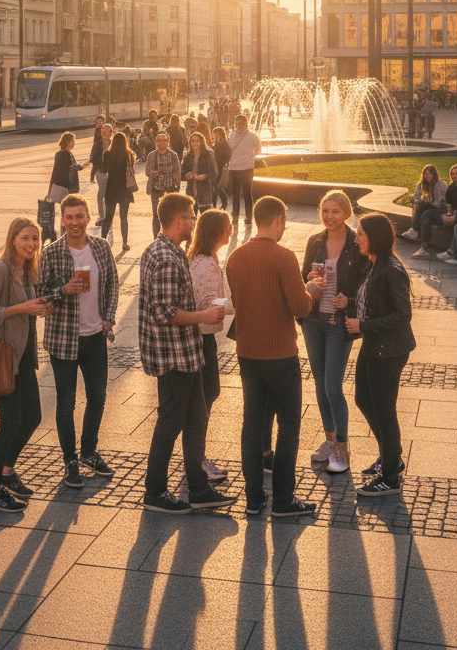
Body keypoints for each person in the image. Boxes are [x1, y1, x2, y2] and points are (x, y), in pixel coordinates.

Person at [138, 193, 237, 514]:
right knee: (170, 422)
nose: (195, 223)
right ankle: (154, 492)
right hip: (174, 355)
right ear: (178, 220)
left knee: (197, 416)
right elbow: (166, 312)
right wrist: (204, 316)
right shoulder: (167, 257)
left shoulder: (164, 250)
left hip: (186, 353)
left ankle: (198, 488)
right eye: (192, 218)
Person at [226, 196, 322, 517]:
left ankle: (254, 499)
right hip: (280, 354)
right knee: (289, 426)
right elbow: (300, 306)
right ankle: (283, 500)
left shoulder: (236, 257)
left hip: (247, 353)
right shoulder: (283, 257)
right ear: (279, 220)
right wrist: (313, 288)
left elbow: (242, 301)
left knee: (251, 425)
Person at [38, 195, 119, 489]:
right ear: (62, 220)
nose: (75, 222)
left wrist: (109, 316)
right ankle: (70, 460)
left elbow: (112, 284)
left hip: (95, 336)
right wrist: (63, 290)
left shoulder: (101, 247)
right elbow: (41, 293)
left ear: (88, 217)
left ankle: (88, 452)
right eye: (69, 217)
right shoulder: (51, 253)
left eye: (79, 216)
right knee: (66, 403)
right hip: (63, 341)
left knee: (98, 398)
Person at [0, 217, 49, 512]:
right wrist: (23, 308)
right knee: (10, 423)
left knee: (32, 417)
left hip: (23, 357)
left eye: (35, 239)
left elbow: (25, 309)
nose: (31, 244)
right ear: (13, 240)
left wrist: (40, 304)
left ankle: (6, 472)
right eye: (25, 238)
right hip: (1, 358)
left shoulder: (26, 270)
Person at [345, 214, 416, 496]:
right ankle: (391, 456)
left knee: (385, 411)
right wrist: (348, 303)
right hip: (374, 345)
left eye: (360, 234)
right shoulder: (373, 264)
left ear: (374, 236)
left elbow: (403, 314)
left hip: (389, 349)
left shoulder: (391, 269)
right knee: (363, 398)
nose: (356, 238)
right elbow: (369, 301)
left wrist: (363, 325)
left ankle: (390, 478)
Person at [299, 191, 366, 474]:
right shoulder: (315, 241)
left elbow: (365, 286)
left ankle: (342, 447)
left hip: (339, 324)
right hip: (313, 320)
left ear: (347, 213)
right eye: (325, 211)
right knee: (319, 384)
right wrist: (309, 281)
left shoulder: (356, 243)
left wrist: (348, 301)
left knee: (332, 386)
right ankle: (329, 440)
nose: (329, 216)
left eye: (335, 211)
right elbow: (302, 277)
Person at [187, 209, 235, 482]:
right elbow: (207, 305)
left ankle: (197, 456)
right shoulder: (206, 263)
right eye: (227, 227)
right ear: (217, 230)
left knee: (205, 397)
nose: (230, 231)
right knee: (206, 397)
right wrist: (238, 303)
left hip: (199, 338)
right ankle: (197, 459)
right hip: (202, 339)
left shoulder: (201, 258)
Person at [413, 164, 457, 259]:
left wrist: (455, 216)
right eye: (453, 174)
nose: (456, 176)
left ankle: (452, 252)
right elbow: (449, 205)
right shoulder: (451, 188)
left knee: (427, 211)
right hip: (450, 214)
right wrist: (448, 214)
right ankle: (424, 248)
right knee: (427, 214)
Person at [101, 131, 135, 251]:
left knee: (108, 217)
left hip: (111, 189)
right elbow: (131, 170)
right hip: (125, 189)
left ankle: (102, 242)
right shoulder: (129, 154)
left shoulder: (107, 154)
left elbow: (104, 170)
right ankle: (125, 243)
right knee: (123, 217)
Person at [227, 114, 262, 229]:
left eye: (241, 123)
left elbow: (258, 149)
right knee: (235, 193)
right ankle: (235, 216)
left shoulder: (252, 136)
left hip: (247, 167)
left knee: (247, 193)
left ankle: (248, 216)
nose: (238, 126)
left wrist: (250, 155)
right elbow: (228, 148)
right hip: (235, 167)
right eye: (236, 123)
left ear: (246, 124)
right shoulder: (231, 135)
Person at [145, 131, 181, 238]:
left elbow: (177, 171)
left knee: (171, 215)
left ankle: (170, 237)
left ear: (168, 142)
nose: (161, 142)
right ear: (155, 142)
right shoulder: (151, 155)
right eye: (159, 140)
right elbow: (147, 171)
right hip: (156, 189)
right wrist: (151, 173)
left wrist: (177, 187)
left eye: (164, 140)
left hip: (170, 188)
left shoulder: (173, 155)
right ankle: (156, 238)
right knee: (156, 215)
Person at [402, 165, 447, 242]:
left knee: (422, 206)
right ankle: (414, 230)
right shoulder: (420, 185)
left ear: (434, 174)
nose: (427, 176)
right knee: (420, 204)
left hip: (438, 208)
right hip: (424, 208)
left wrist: (426, 204)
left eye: (429, 174)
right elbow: (416, 198)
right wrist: (421, 203)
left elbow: (441, 201)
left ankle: (414, 229)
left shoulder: (442, 184)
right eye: (425, 174)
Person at [182, 131, 217, 217]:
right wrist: (186, 176)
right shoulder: (187, 156)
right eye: (193, 141)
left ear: (202, 142)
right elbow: (182, 172)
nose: (195, 143)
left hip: (204, 191)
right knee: (191, 219)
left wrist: (205, 176)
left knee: (206, 219)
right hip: (191, 191)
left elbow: (215, 172)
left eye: (197, 141)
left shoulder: (208, 154)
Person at [91, 122, 114, 226]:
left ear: (111, 133)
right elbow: (92, 158)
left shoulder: (115, 143)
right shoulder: (97, 144)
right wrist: (100, 161)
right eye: (102, 132)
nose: (104, 134)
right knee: (102, 192)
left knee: (110, 194)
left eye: (106, 132)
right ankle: (102, 216)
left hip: (113, 172)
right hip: (101, 172)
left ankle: (108, 215)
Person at [48, 132, 80, 204]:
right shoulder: (65, 154)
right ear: (67, 142)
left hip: (61, 185)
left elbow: (55, 171)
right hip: (65, 187)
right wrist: (79, 166)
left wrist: (50, 188)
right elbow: (69, 169)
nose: (74, 143)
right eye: (72, 141)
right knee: (67, 207)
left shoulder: (62, 153)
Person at [210, 126, 231, 211]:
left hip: (219, 168)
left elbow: (228, 156)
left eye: (216, 135)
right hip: (214, 168)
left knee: (216, 187)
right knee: (214, 187)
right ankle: (215, 205)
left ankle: (223, 202)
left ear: (220, 134)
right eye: (214, 135)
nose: (214, 136)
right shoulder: (217, 143)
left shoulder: (224, 144)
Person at [88, 115, 106, 183]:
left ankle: (99, 176)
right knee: (95, 164)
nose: (99, 122)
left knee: (100, 163)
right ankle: (92, 178)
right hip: (97, 149)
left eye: (100, 121)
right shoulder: (98, 129)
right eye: (98, 121)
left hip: (102, 147)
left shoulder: (102, 128)